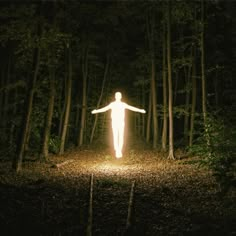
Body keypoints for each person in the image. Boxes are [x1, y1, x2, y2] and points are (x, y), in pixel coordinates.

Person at [91, 92, 146, 158]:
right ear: (115, 96)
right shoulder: (112, 104)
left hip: (121, 122)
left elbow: (131, 108)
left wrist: (140, 110)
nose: (118, 96)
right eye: (117, 95)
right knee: (115, 136)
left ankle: (119, 150)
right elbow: (104, 109)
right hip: (114, 122)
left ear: (121, 96)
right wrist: (96, 111)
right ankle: (117, 150)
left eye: (119, 95)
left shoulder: (123, 104)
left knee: (121, 136)